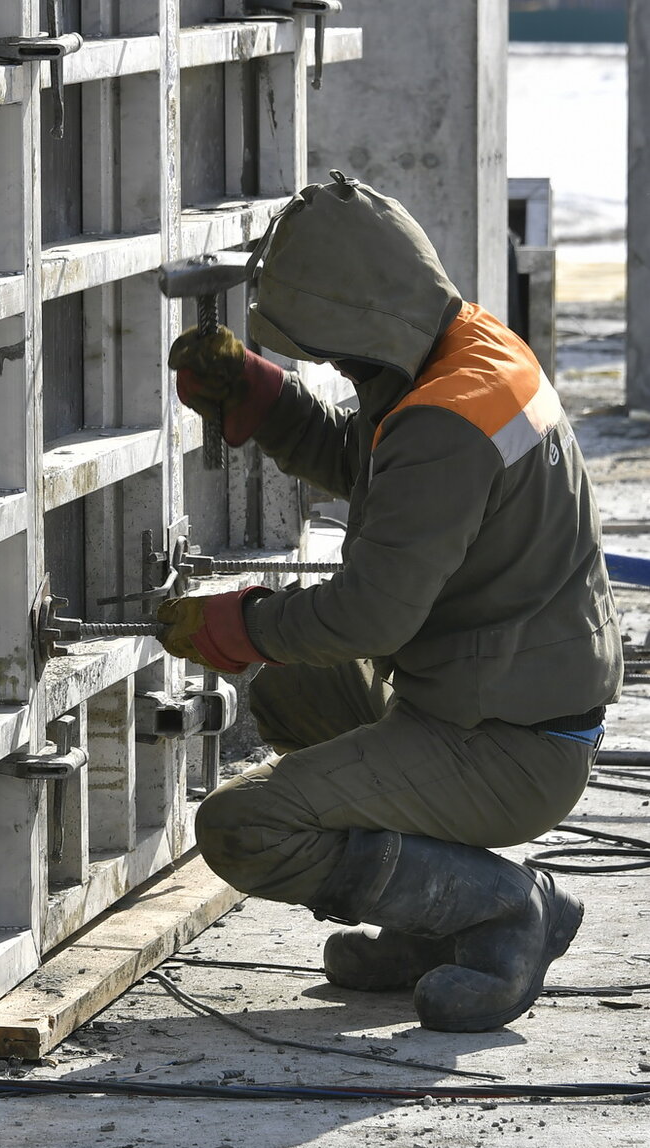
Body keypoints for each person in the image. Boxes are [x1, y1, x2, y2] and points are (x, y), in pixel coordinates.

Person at [156, 171, 623, 1033]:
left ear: (359, 319)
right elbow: (392, 481)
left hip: (508, 746)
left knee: (244, 827)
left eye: (324, 344)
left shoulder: (447, 421)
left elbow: (368, 618)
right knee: (292, 692)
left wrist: (240, 624)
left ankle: (505, 908)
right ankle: (435, 919)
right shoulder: (467, 350)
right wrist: (268, 403)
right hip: (492, 704)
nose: (327, 359)